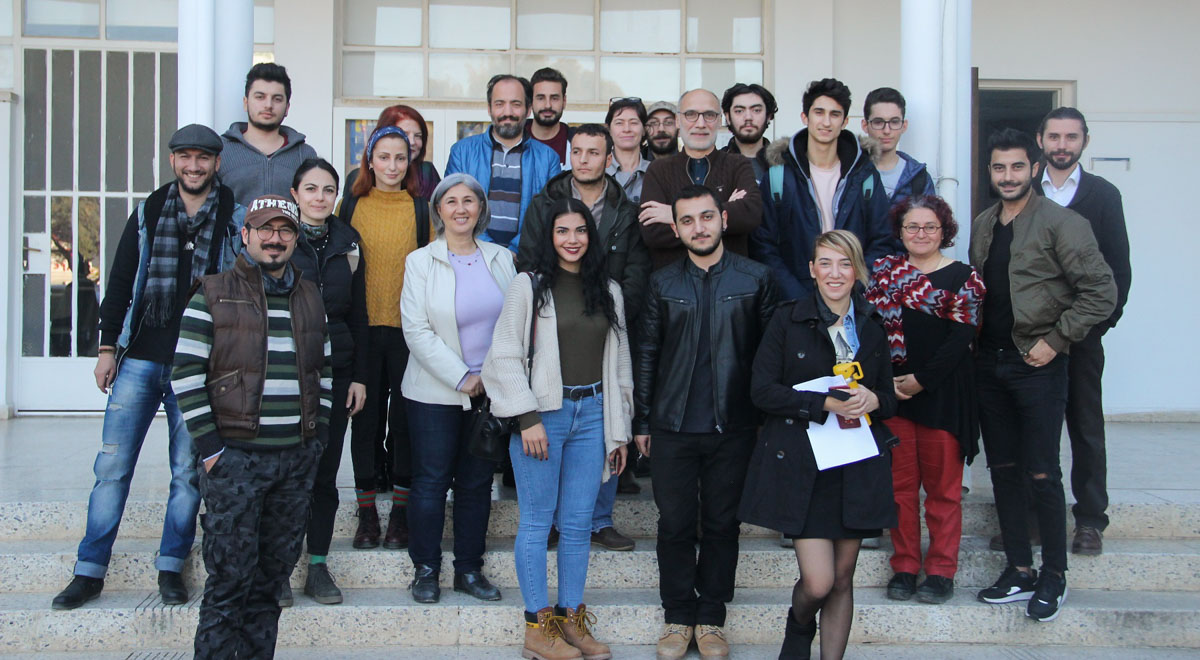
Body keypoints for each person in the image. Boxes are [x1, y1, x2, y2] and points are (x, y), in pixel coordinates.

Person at [51, 124, 244, 611]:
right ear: (173, 161)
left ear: (217, 163)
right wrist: (106, 348)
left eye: (203, 158)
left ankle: (170, 567)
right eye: (185, 157)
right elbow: (119, 281)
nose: (194, 166)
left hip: (197, 365)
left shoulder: (233, 217)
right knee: (112, 468)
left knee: (186, 474)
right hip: (139, 358)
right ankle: (89, 571)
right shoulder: (149, 212)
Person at [173, 194, 332, 659]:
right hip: (235, 463)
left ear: (295, 238)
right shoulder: (213, 291)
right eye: (264, 229)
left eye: (284, 230)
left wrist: (317, 439)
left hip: (294, 463)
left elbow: (323, 372)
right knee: (229, 585)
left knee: (270, 585)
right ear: (245, 235)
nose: (274, 238)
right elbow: (185, 374)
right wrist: (212, 451)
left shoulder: (310, 295)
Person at [971, 129, 1115, 623]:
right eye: (999, 167)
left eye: (1016, 166)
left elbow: (1101, 291)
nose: (1007, 176)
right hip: (989, 364)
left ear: (1033, 168)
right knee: (1003, 470)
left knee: (1041, 472)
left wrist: (1056, 340)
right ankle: (1018, 568)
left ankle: (1054, 573)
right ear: (990, 172)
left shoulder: (1063, 222)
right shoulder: (984, 223)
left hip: (1038, 364)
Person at [483, 198, 633, 660]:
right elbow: (503, 354)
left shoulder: (608, 289)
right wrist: (527, 417)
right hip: (543, 416)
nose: (572, 239)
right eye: (562, 231)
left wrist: (619, 430)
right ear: (549, 237)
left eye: (580, 230)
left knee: (578, 524)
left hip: (594, 415)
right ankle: (537, 626)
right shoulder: (528, 286)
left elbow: (620, 363)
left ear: (591, 236)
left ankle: (571, 618)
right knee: (536, 521)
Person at [635, 185, 778, 660]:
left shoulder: (756, 278)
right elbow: (647, 353)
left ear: (723, 220)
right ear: (676, 230)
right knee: (675, 524)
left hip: (733, 424)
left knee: (721, 525)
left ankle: (712, 618)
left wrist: (765, 420)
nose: (699, 228)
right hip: (672, 425)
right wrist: (642, 420)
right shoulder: (662, 283)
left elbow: (769, 356)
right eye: (688, 220)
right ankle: (678, 617)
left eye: (706, 217)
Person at [740, 230, 897, 660]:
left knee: (843, 580)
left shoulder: (872, 327)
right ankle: (799, 626)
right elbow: (761, 391)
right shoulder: (786, 320)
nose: (835, 273)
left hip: (855, 465)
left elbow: (889, 396)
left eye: (845, 264)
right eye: (825, 263)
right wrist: (822, 402)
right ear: (812, 270)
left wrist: (876, 399)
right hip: (803, 466)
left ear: (857, 271)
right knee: (819, 582)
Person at [518, 124, 651, 550]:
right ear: (569, 155)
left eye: (594, 152)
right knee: (557, 421)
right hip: (554, 315)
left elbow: (636, 270)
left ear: (609, 158)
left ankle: (599, 520)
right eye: (577, 151)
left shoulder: (625, 209)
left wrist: (610, 309)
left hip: (605, 321)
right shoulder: (545, 202)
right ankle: (555, 520)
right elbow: (529, 258)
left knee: (606, 411)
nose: (584, 159)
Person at [400, 173, 515, 604]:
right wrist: (462, 376)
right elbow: (416, 329)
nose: (461, 208)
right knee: (431, 482)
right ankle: (426, 570)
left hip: (490, 393)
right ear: (439, 210)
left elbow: (515, 322)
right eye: (451, 201)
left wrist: (492, 376)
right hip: (434, 393)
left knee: (476, 483)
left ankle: (469, 569)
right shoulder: (420, 262)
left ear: (481, 209)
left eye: (469, 200)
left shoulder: (501, 257)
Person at [865, 196, 985, 605]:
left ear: (944, 231)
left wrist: (921, 380)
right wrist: (890, 384)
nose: (921, 234)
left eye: (930, 227)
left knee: (943, 492)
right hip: (895, 395)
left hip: (944, 397)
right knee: (900, 491)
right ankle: (904, 566)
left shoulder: (965, 279)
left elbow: (961, 339)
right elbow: (871, 332)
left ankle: (940, 571)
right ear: (900, 233)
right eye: (912, 227)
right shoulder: (884, 275)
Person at [1034, 107, 1132, 556]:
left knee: (1086, 426)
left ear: (1084, 142)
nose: (1062, 145)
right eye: (1054, 136)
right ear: (1041, 140)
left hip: (1083, 335)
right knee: (1034, 427)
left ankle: (1090, 520)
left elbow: (1118, 269)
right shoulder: (1023, 189)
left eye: (1070, 137)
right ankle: (1034, 518)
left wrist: (1098, 326)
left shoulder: (1103, 195)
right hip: (1030, 336)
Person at [341, 125, 433, 552]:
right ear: (370, 160)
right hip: (361, 330)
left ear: (410, 162)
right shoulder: (350, 204)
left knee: (405, 425)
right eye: (384, 157)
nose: (392, 166)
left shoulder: (421, 209)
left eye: (400, 158)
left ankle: (399, 513)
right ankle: (366, 515)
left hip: (408, 332)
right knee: (364, 421)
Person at [282, 158, 369, 607]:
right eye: (311, 188)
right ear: (295, 193)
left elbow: (358, 313)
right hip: (285, 372)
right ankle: (278, 568)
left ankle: (317, 565)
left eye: (328, 189)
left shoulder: (348, 242)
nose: (320, 197)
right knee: (284, 473)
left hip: (336, 372)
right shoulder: (277, 237)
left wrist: (358, 377)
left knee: (324, 472)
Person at [752, 78, 894, 302]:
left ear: (845, 121)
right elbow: (764, 245)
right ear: (805, 117)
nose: (826, 122)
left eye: (835, 114)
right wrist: (798, 297)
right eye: (819, 112)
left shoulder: (865, 175)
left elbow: (882, 240)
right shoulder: (779, 177)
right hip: (795, 300)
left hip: (851, 299)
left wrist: (853, 286)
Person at [640, 89, 762, 269]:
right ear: (678, 121)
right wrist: (726, 212)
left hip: (732, 279)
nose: (700, 124)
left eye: (709, 115)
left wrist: (675, 215)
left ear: (719, 121)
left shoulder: (738, 165)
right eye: (691, 114)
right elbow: (652, 232)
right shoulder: (658, 170)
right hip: (674, 281)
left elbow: (750, 214)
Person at [445, 74, 561, 251]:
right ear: (489, 108)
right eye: (499, 104)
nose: (508, 112)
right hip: (472, 256)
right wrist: (492, 251)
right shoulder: (462, 152)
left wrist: (513, 252)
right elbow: (452, 209)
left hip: (525, 258)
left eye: (516, 104)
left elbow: (549, 215)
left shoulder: (548, 158)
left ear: (528, 109)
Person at [219, 63, 318, 206]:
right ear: (246, 103)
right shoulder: (222, 151)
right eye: (260, 97)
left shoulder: (304, 155)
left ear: (287, 107)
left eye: (277, 99)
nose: (268, 105)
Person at [344, 104, 442, 199]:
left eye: (418, 136)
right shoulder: (356, 178)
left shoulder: (426, 173)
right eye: (404, 133)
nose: (412, 142)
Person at [860, 87, 936, 203]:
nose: (887, 130)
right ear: (865, 125)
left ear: (904, 126)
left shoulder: (919, 178)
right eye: (878, 122)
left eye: (894, 122)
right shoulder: (850, 172)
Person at [721, 82, 778, 185]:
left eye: (756, 110)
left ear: (768, 116)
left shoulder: (785, 164)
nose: (748, 117)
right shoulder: (715, 164)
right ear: (728, 117)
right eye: (739, 111)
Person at [605, 97, 651, 204]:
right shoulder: (598, 171)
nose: (626, 129)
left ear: (644, 129)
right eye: (619, 123)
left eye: (633, 123)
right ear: (609, 130)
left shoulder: (657, 172)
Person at [526, 67, 573, 166]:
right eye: (540, 98)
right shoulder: (515, 138)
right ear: (530, 101)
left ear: (564, 101)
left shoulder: (576, 141)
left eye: (554, 98)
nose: (548, 105)